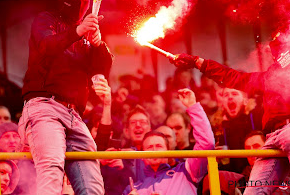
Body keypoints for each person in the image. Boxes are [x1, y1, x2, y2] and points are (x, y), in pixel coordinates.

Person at [18, 0, 113, 194]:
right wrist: (77, 32)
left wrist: (98, 45)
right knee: (51, 170)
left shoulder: (87, 34)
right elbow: (46, 46)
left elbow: (100, 69)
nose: (79, 2)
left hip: (76, 114)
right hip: (45, 105)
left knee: (92, 181)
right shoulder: (45, 20)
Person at [170, 28, 290, 194]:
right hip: (272, 138)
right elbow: (234, 78)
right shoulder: (269, 78)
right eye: (274, 44)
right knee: (252, 192)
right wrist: (197, 62)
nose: (273, 49)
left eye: (281, 41)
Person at [123, 88, 215, 195]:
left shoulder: (186, 171)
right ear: (142, 156)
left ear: (168, 150)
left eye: (158, 146)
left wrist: (193, 107)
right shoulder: (133, 188)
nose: (154, 150)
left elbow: (207, 144)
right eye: (149, 147)